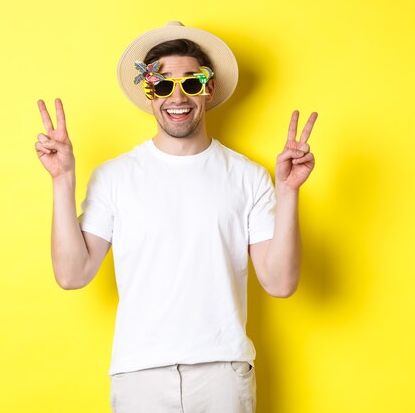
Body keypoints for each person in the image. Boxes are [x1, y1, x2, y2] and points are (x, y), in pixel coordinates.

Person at [35, 21, 317, 413]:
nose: (177, 96)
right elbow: (72, 274)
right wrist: (63, 179)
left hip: (223, 372)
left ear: (209, 88)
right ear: (149, 94)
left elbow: (280, 282)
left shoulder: (248, 176)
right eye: (163, 84)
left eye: (191, 82)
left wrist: (288, 192)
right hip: (139, 376)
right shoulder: (115, 177)